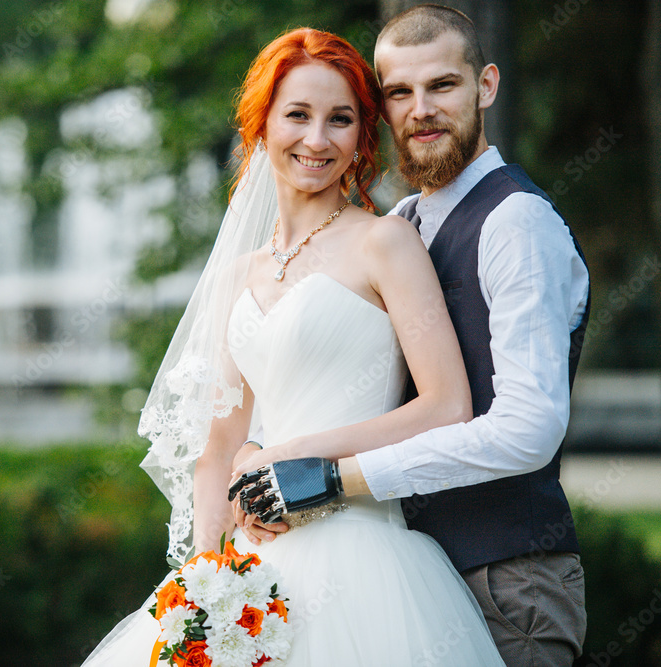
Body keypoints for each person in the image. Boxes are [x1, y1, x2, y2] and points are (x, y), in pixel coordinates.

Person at [83, 27, 504, 666]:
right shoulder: (236, 276)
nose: (317, 139)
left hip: (364, 555)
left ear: (362, 135)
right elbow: (219, 446)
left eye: (340, 120)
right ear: (261, 124)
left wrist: (286, 455)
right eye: (298, 115)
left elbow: (447, 406)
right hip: (256, 564)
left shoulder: (385, 245)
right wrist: (209, 584)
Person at [238, 6, 591, 666]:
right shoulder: (401, 222)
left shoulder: (517, 223)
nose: (420, 109)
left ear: (485, 86)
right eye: (400, 92)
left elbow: (527, 427)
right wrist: (265, 444)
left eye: (442, 86)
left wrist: (333, 478)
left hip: (504, 579)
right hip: (395, 574)